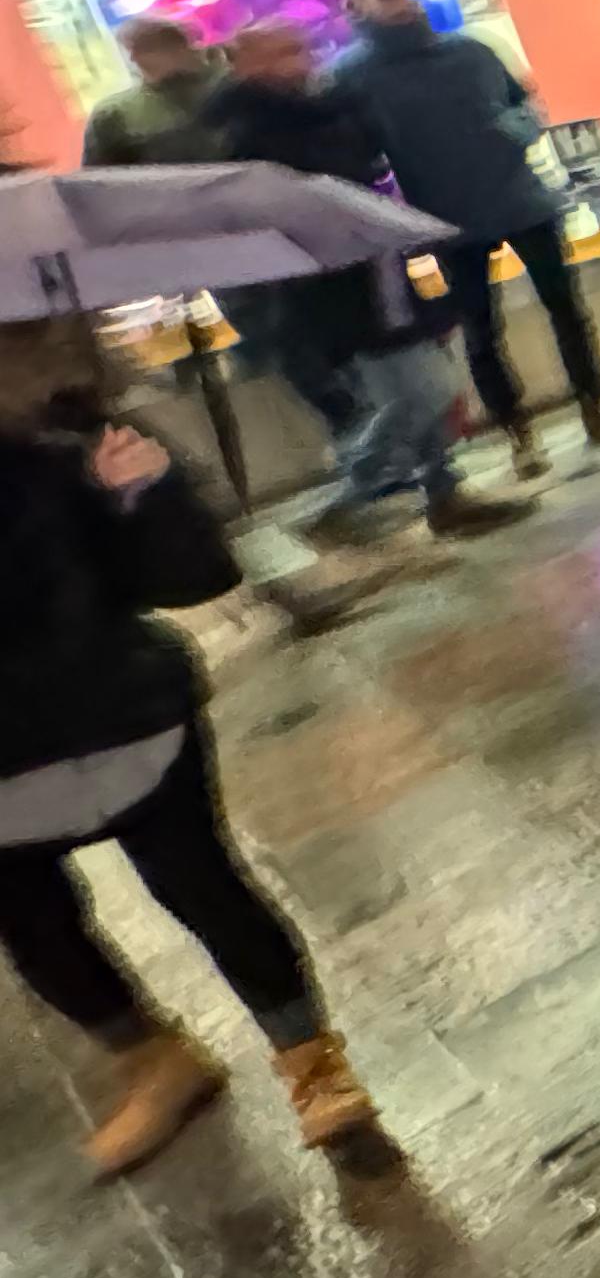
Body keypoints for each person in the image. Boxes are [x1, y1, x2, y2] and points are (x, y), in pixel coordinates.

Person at [2, 333, 374, 1173]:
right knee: (37, 932)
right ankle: (155, 1060)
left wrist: (148, 497)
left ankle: (314, 1068)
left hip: (121, 715)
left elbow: (195, 578)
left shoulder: (72, 433)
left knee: (203, 889)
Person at [204, 21, 526, 541]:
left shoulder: (327, 108)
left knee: (422, 391)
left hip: (376, 270)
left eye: (301, 47)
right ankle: (352, 497)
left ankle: (442, 494)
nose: (302, 60)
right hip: (327, 291)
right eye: (285, 51)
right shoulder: (249, 133)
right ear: (247, 65)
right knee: (424, 393)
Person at [325, 0, 600, 471]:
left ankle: (597, 411)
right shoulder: (354, 77)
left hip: (520, 199)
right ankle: (519, 435)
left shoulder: (468, 50)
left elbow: (523, 103)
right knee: (481, 330)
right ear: (356, 4)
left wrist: (514, 130)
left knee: (566, 310)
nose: (400, 1)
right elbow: (353, 152)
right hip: (449, 219)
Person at [81, 18, 222, 165]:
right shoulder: (113, 114)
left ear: (183, 47)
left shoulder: (234, 88)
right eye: (131, 49)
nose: (135, 58)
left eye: (147, 47)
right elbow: (99, 180)